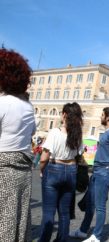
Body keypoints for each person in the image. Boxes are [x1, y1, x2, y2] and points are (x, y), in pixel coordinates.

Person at [0, 48, 36, 241]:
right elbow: (31, 133)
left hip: (3, 169)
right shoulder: (28, 108)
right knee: (18, 221)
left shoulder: (2, 103)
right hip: (22, 170)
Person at [70, 107, 109, 242]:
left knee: (100, 206)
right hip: (97, 171)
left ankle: (97, 236)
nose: (100, 117)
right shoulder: (107, 132)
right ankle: (83, 231)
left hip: (104, 172)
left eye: (102, 115)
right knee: (90, 204)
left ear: (108, 117)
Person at [38, 102, 84, 242]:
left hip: (53, 168)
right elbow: (79, 155)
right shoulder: (78, 134)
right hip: (71, 171)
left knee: (48, 212)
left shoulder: (55, 132)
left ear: (64, 114)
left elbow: (44, 158)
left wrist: (41, 170)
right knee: (64, 213)